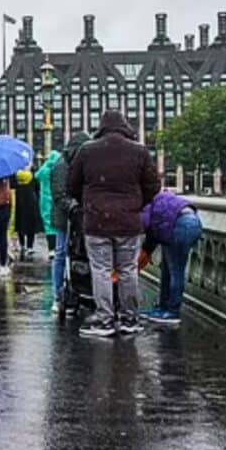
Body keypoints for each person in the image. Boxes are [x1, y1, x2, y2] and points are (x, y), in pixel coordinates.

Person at [67, 110, 160, 337]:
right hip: (129, 221)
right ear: (124, 126)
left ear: (102, 127)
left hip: (97, 221)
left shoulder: (87, 150)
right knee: (128, 270)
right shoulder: (139, 151)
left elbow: (72, 186)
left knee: (101, 270)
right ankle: (130, 318)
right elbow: (153, 187)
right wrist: (135, 204)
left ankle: (105, 319)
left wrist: (90, 203)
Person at [140, 191, 203, 325]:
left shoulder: (145, 205)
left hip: (179, 226)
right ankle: (164, 308)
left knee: (175, 271)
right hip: (193, 223)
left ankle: (172, 312)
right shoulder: (159, 198)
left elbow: (149, 229)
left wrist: (145, 252)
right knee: (169, 270)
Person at [49, 132, 90, 314]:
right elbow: (59, 195)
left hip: (79, 216)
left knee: (77, 254)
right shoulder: (61, 166)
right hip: (64, 218)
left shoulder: (75, 162)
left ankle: (77, 292)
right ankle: (58, 295)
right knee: (61, 254)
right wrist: (73, 206)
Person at [36, 151, 61, 259]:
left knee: (48, 224)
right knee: (58, 224)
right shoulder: (58, 169)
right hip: (57, 198)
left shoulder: (44, 170)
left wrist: (45, 164)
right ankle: (58, 247)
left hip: (45, 200)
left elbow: (36, 176)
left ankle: (51, 249)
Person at [13, 169, 42, 261]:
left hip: (19, 201)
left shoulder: (17, 177)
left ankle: (22, 245)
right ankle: (30, 246)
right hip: (30, 202)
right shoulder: (31, 177)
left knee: (20, 223)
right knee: (30, 225)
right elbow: (38, 188)